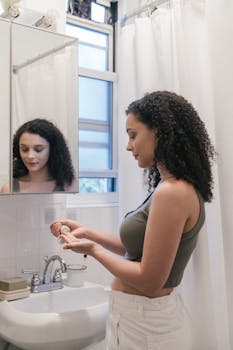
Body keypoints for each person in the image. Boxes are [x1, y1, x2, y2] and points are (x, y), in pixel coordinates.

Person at [50, 91, 215, 349]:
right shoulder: (170, 187)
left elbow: (149, 281)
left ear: (159, 131)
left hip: (148, 326)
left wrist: (92, 251)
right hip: (138, 319)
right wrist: (88, 233)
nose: (128, 146)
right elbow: (135, 251)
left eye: (133, 135)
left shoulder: (173, 192)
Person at [1, 118, 76, 193]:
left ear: (53, 150)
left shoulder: (70, 186)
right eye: (24, 149)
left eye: (38, 149)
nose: (30, 156)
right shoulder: (8, 189)